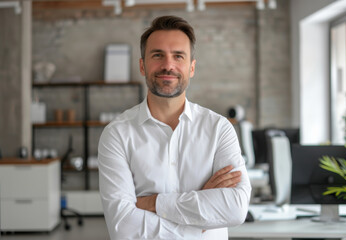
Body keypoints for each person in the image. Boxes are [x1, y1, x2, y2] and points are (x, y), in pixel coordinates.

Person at [98, 15, 251, 239]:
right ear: (142, 65)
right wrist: (201, 211)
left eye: (178, 56)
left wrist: (153, 203)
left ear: (191, 68)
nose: (168, 65)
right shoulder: (117, 134)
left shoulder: (219, 129)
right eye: (157, 55)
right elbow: (124, 228)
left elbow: (235, 209)